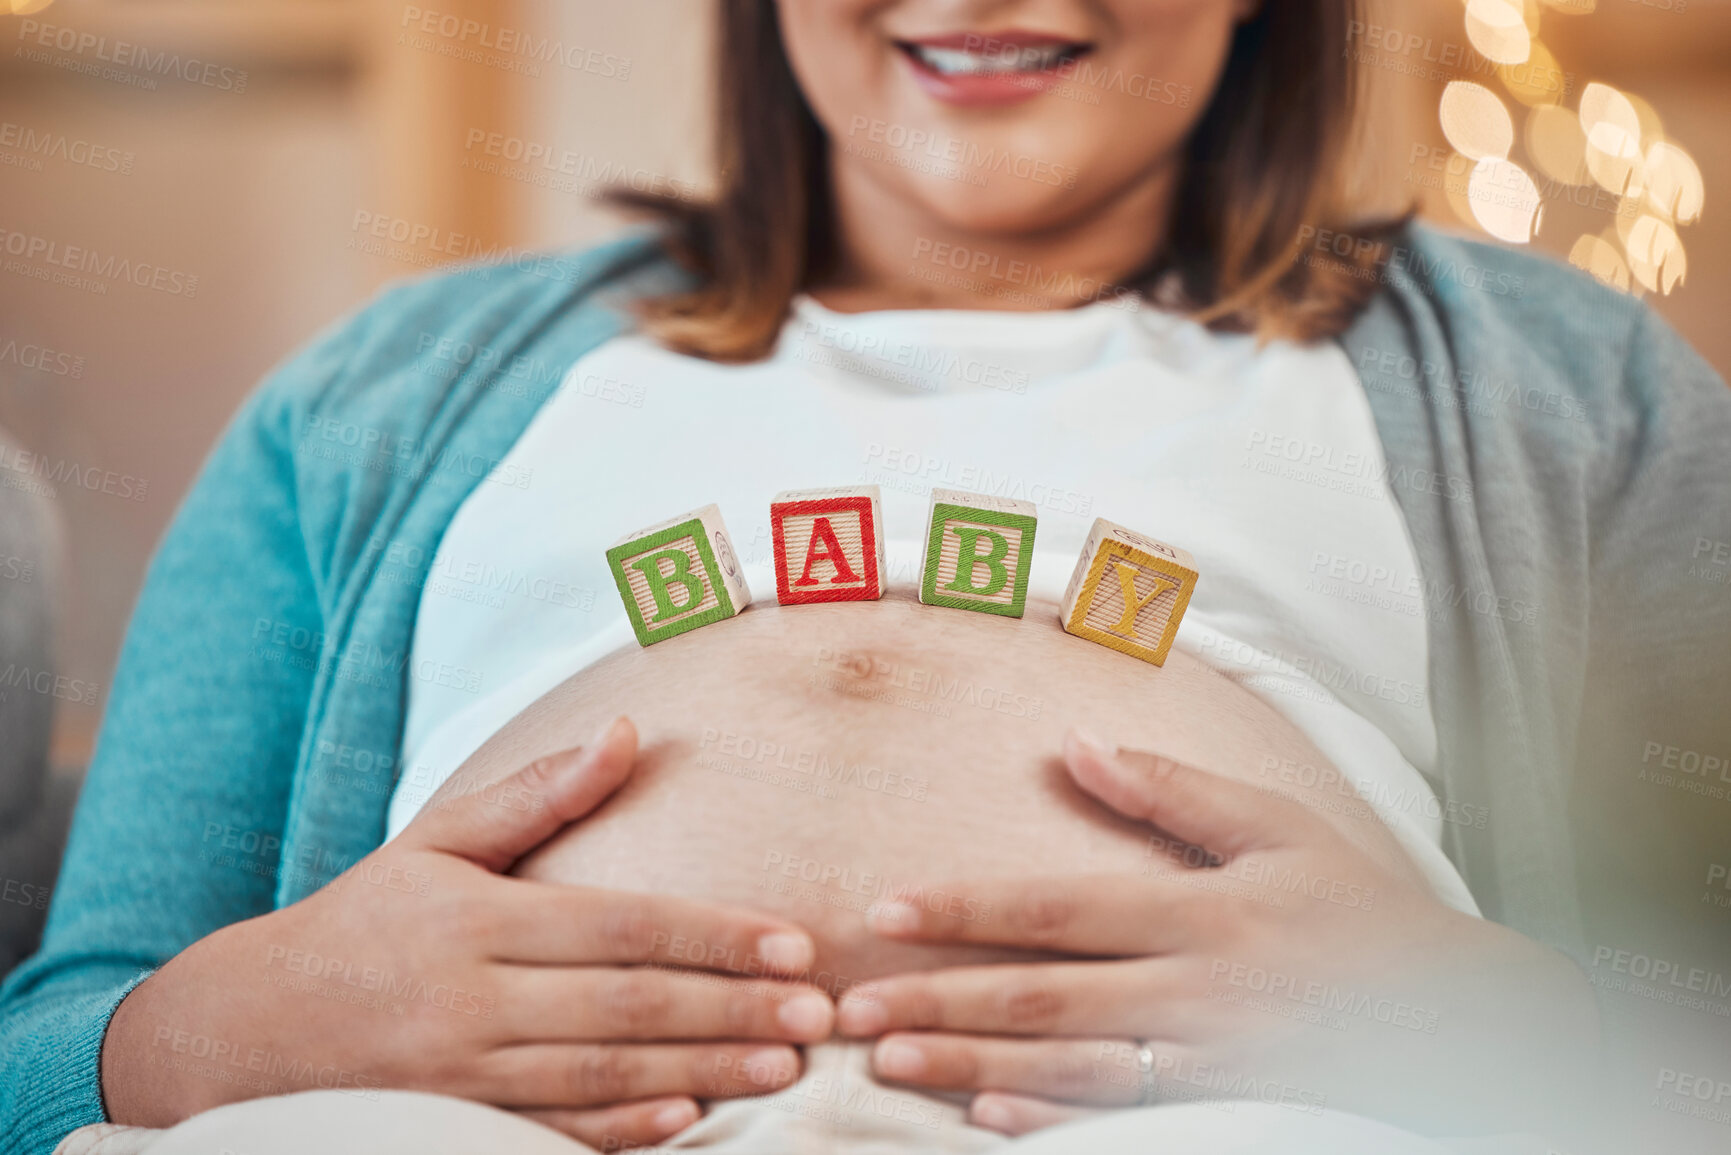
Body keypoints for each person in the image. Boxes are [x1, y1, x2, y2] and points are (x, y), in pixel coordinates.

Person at [4, 1, 1729, 1153]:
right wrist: (206, 1040)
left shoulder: (1569, 393)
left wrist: (1509, 1028)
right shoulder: (376, 399)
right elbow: (47, 1052)